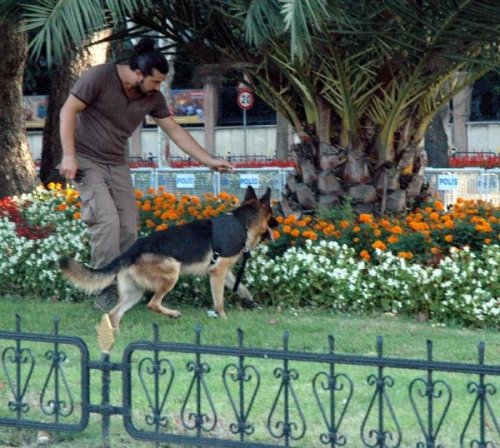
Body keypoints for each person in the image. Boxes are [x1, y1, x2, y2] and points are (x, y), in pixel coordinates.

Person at [58, 37, 233, 311]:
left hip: (116, 162)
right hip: (86, 159)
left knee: (128, 225)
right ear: (138, 74)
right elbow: (68, 110)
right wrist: (68, 155)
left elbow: (174, 130)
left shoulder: (152, 97)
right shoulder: (99, 77)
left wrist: (208, 159)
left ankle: (128, 286)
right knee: (106, 221)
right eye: (155, 82)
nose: (158, 88)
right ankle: (106, 290)